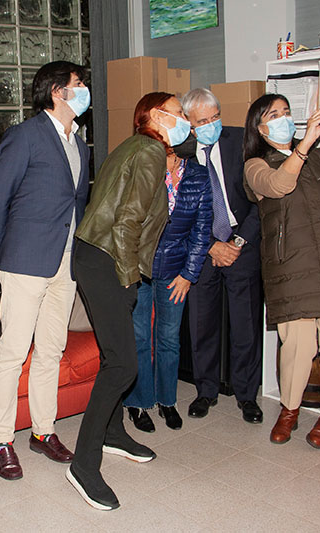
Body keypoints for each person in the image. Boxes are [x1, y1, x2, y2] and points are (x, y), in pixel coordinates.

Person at [67, 92, 186, 510]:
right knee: (123, 364)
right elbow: (127, 221)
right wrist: (128, 278)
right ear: (155, 115)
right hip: (108, 261)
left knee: (112, 355)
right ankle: (83, 464)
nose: (185, 120)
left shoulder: (136, 147)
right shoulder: (150, 151)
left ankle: (113, 433)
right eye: (178, 113)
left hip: (96, 255)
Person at [243, 93, 320, 449]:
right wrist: (303, 147)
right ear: (260, 127)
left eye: (286, 112)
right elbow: (278, 185)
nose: (283, 118)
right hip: (291, 269)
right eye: (273, 115)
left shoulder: (319, 156)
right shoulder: (255, 165)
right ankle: (289, 410)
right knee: (297, 346)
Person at [0, 61, 90, 480]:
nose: (84, 90)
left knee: (51, 351)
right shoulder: (25, 135)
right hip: (25, 261)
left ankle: (43, 431)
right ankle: (0, 438)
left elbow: (76, 203)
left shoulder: (79, 141)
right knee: (12, 352)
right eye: (78, 84)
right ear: (58, 91)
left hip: (66, 261)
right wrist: (3, 256)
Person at [123, 120, 212, 433]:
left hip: (176, 270)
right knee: (139, 337)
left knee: (169, 339)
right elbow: (126, 222)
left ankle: (166, 400)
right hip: (139, 268)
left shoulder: (198, 174)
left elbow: (202, 230)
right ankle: (137, 402)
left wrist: (189, 274)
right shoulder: (143, 168)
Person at [182, 88, 264, 424]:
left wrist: (237, 242)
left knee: (245, 324)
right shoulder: (179, 152)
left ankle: (247, 395)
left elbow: (261, 198)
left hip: (241, 239)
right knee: (202, 324)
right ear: (189, 124)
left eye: (215, 117)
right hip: (201, 247)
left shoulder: (241, 141)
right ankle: (206, 390)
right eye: (203, 121)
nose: (211, 125)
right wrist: (211, 245)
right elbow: (175, 209)